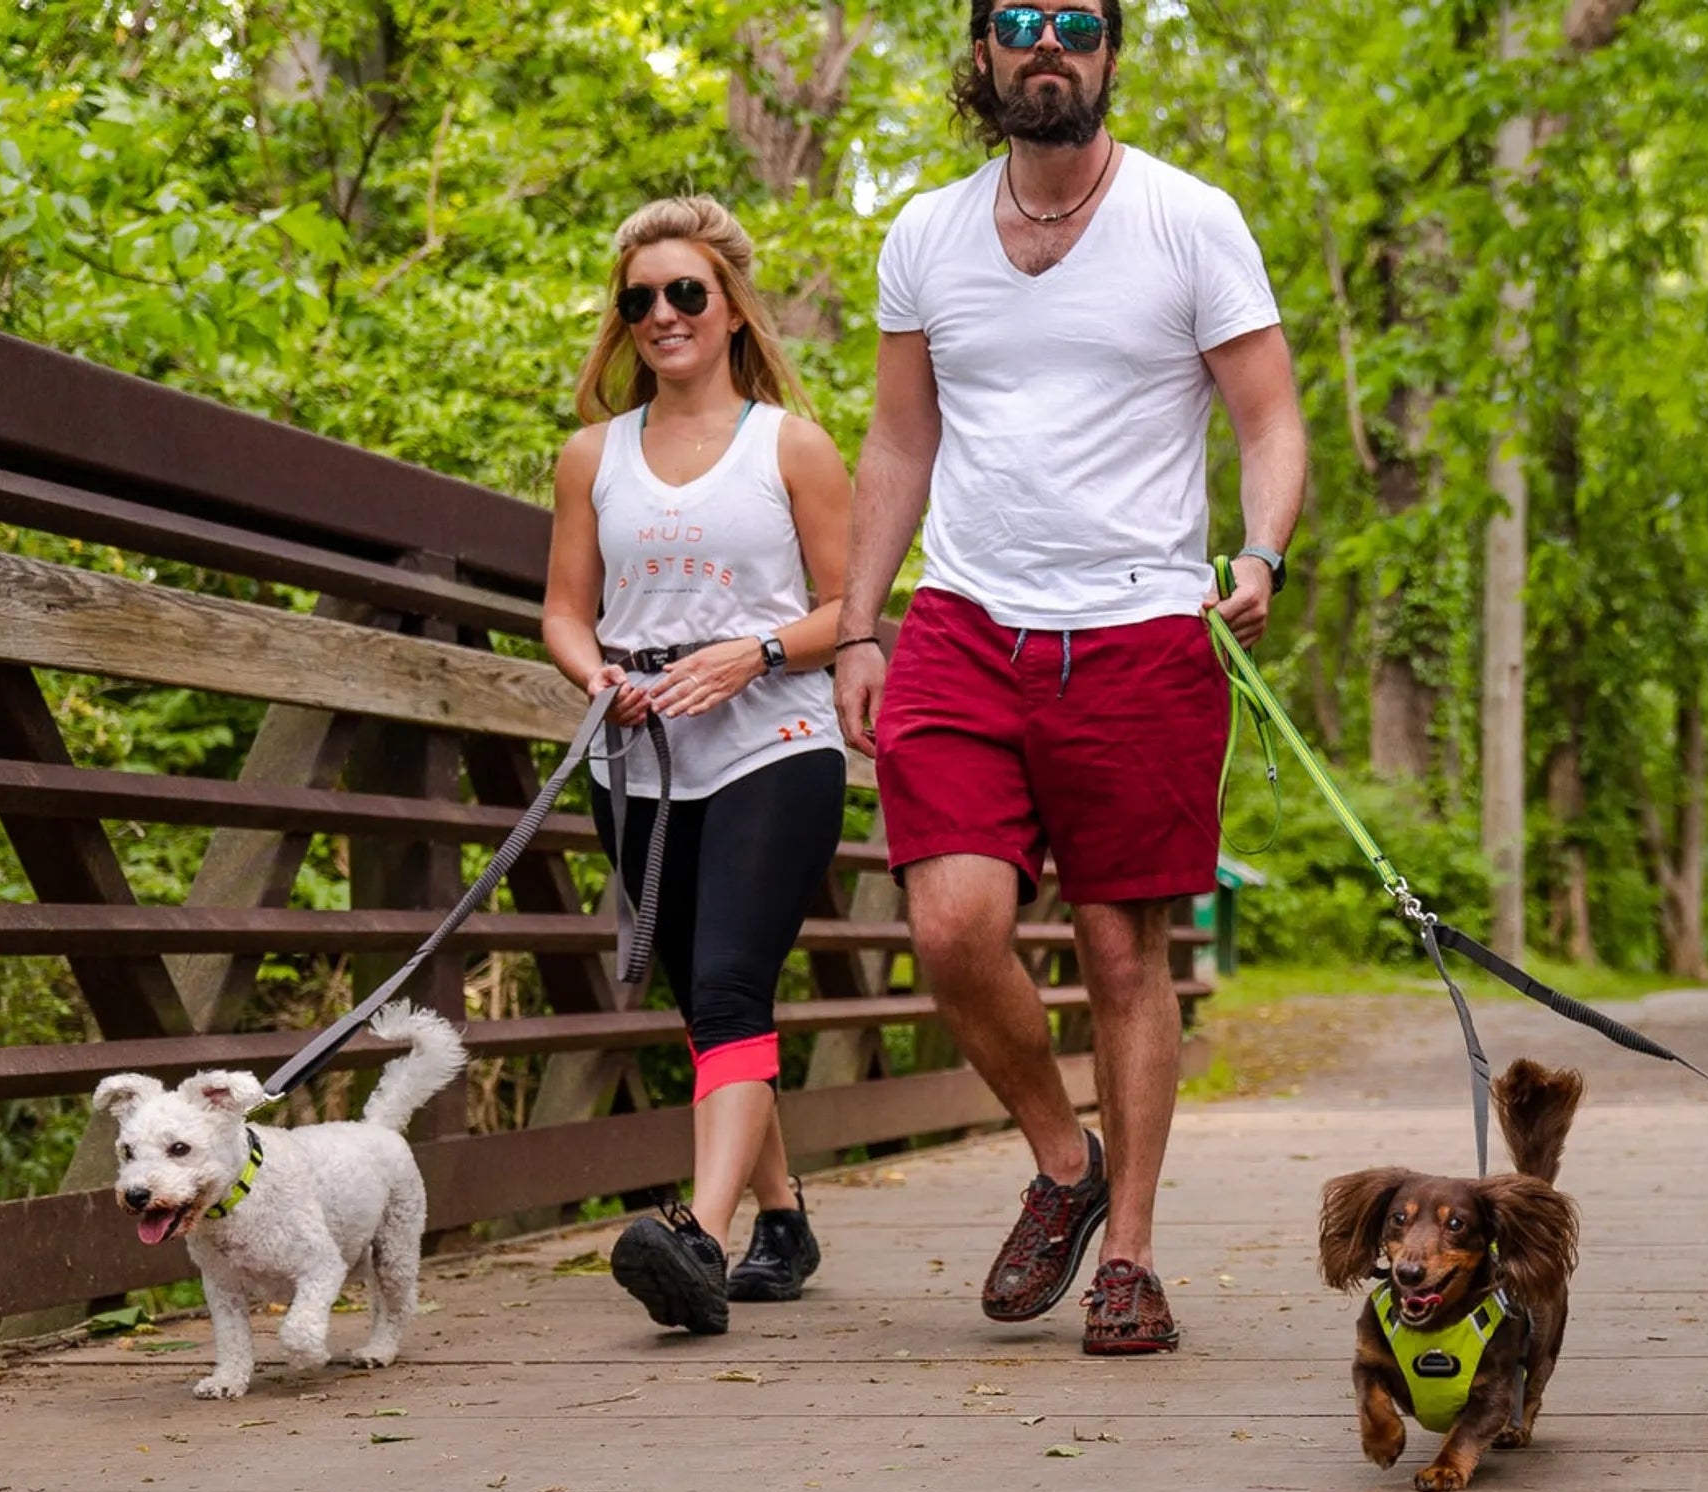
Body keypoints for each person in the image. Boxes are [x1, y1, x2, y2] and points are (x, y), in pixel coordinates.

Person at [835, 1, 1307, 1355]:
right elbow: (896, 442)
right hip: (966, 621)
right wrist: (861, 622)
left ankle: (1134, 1261)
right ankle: (1061, 1163)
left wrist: (1260, 551)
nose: (1050, 44)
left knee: (1119, 948)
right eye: (1021, 21)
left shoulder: (1187, 219)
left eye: (1079, 23)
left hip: (1142, 631)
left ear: (1108, 54)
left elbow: (1267, 416)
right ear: (981, 53)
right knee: (950, 926)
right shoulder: (923, 231)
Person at [541, 195, 855, 1337]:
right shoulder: (592, 457)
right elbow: (565, 613)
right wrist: (597, 678)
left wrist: (752, 653)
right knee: (710, 1001)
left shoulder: (792, 444)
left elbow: (852, 607)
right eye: (640, 301)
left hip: (773, 743)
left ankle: (699, 1240)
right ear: (623, 324)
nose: (663, 314)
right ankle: (782, 1217)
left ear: (729, 308)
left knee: (728, 981)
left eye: (685, 293)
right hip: (637, 757)